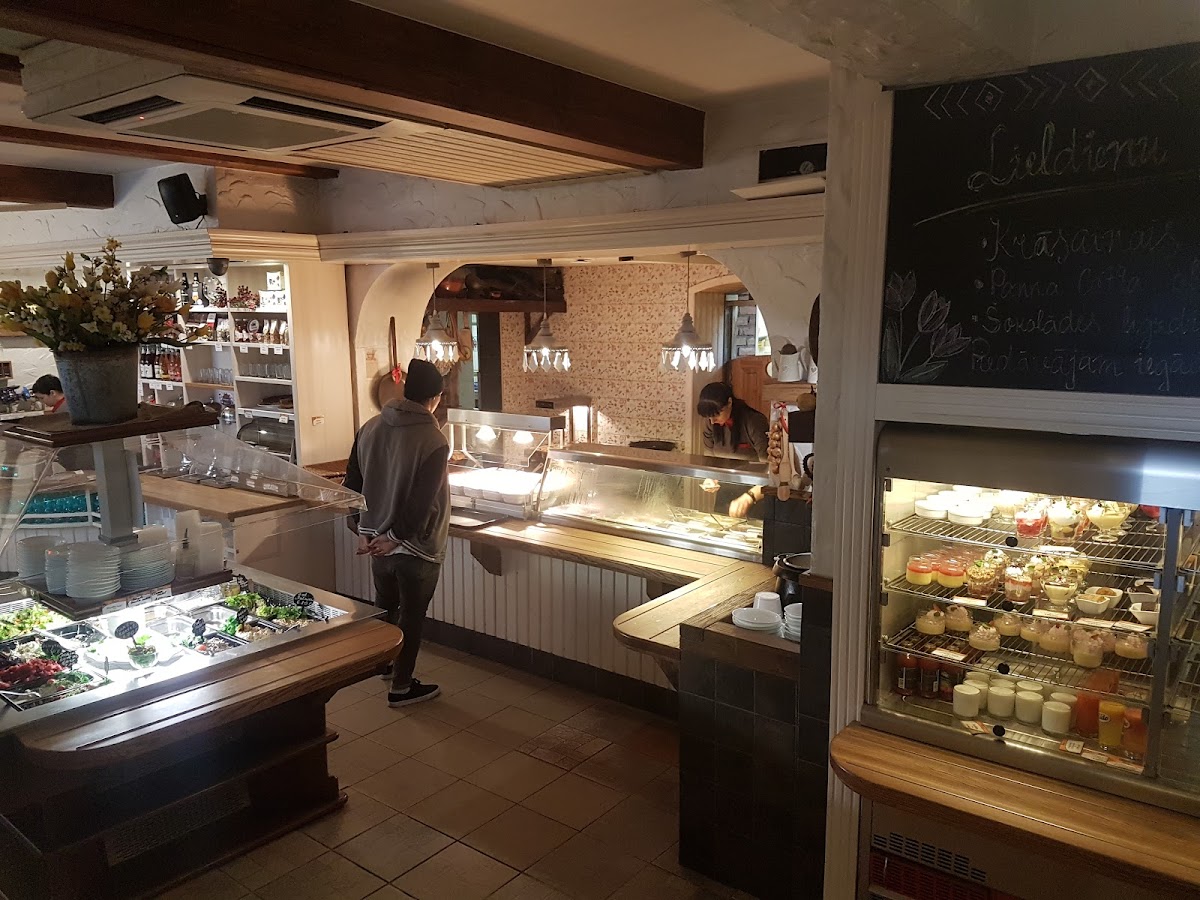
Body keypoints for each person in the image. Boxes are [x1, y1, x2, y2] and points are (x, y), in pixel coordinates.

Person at [344, 358, 450, 708]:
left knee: (385, 606)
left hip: (375, 540)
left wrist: (361, 528)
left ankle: (384, 664)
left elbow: (352, 483)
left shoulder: (370, 427)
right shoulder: (433, 438)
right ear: (434, 398)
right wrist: (397, 537)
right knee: (412, 617)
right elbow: (422, 501)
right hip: (415, 545)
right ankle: (402, 688)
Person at [696, 381, 769, 518]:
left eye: (716, 415)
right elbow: (710, 459)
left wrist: (750, 497)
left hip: (754, 492)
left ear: (729, 402)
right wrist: (710, 477)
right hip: (726, 489)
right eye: (709, 417)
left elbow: (770, 469)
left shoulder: (754, 421)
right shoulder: (710, 423)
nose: (712, 421)